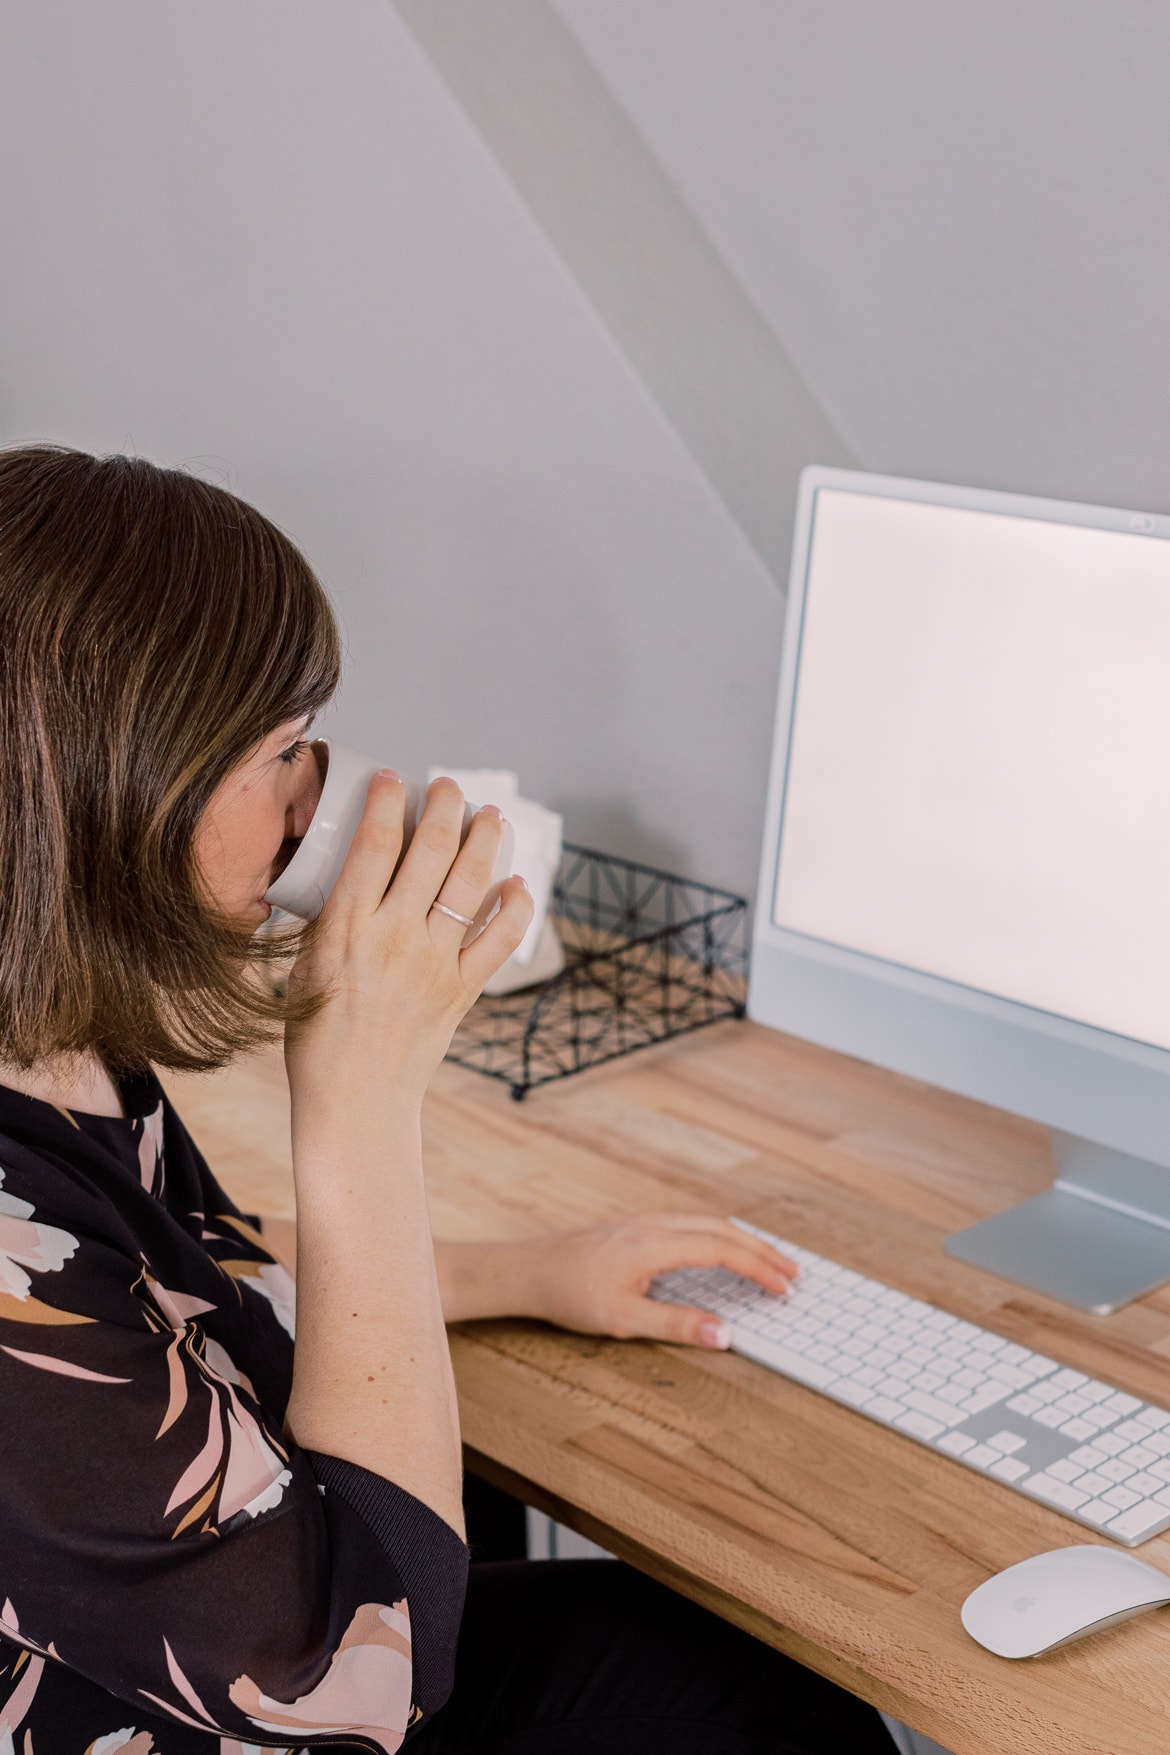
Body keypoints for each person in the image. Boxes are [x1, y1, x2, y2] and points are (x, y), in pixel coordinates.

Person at [0, 446, 896, 1754]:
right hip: (256, 1700)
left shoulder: (52, 1036)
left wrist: (535, 1268)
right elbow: (351, 1687)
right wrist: (361, 1099)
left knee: (722, 1677)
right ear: (115, 785)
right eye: (285, 754)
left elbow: (175, 1284)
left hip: (222, 1637)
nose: (317, 805)